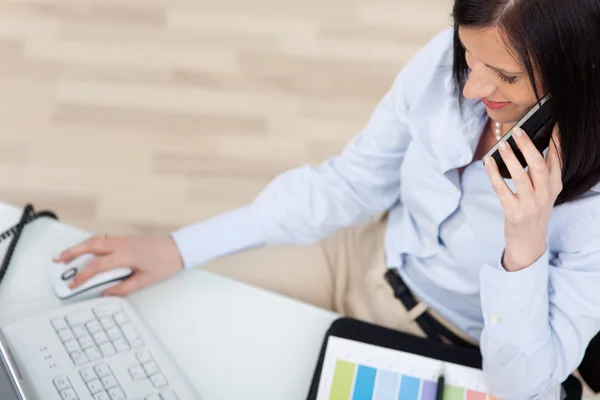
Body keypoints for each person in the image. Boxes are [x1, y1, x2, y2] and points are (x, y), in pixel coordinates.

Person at [53, 0, 600, 398]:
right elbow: (348, 184)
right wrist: (178, 246)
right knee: (172, 313)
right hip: (363, 259)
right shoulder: (447, 61)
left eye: (503, 75)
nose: (470, 88)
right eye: (468, 55)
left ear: (576, 80)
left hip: (462, 350)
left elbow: (523, 382)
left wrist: (524, 244)